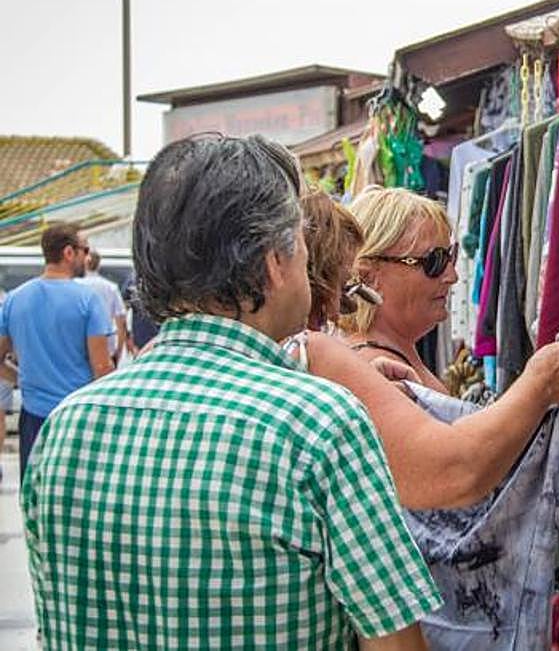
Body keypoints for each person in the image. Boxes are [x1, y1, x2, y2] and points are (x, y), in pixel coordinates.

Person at [22, 135, 441, 651]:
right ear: (273, 261)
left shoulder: (66, 428)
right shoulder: (319, 424)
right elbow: (395, 644)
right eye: (303, 244)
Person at [297, 190, 559, 508]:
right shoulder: (365, 365)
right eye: (434, 261)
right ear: (369, 273)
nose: (452, 276)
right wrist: (542, 387)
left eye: (452, 256)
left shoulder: (380, 360)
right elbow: (457, 485)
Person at [0, 223, 112, 480]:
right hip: (77, 417)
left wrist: (24, 380)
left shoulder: (15, 299)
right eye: (85, 250)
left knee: (33, 495)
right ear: (69, 253)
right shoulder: (88, 300)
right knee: (77, 500)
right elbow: (102, 368)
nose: (88, 258)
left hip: (33, 417)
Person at [80, 248, 128, 367]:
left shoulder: (75, 286)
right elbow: (120, 322)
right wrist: (119, 350)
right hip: (107, 347)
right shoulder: (111, 287)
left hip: (80, 347)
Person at [120, 270, 160, 357]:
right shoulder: (132, 281)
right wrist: (128, 338)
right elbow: (122, 314)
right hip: (140, 344)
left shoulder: (132, 280)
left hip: (158, 342)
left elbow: (122, 315)